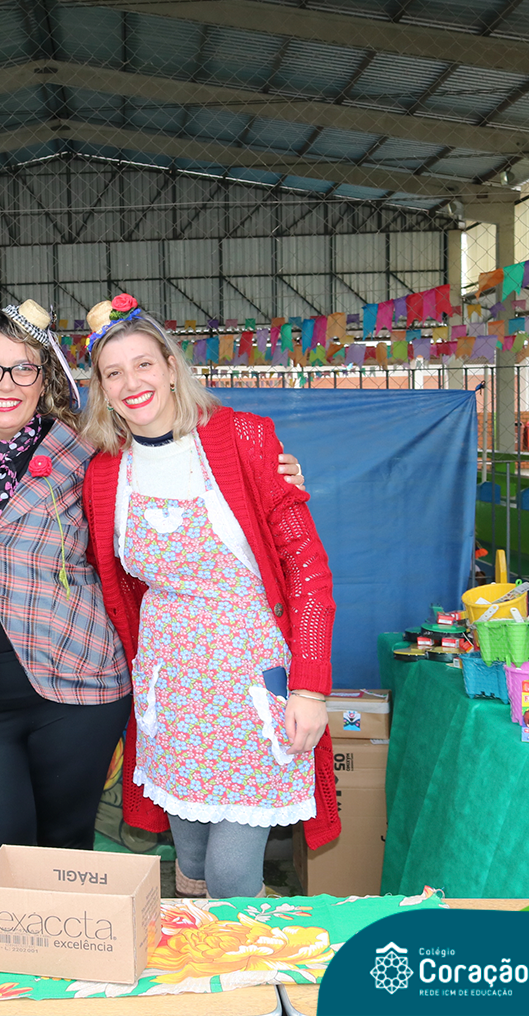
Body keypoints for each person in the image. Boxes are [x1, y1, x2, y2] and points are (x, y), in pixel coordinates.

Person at [0, 300, 309, 876]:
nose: (6, 383)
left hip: (78, 682)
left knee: (66, 853)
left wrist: (272, 475)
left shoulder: (86, 449)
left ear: (45, 378)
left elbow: (175, 459)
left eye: (24, 368)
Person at [81, 294, 340, 899]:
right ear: (102, 390)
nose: (131, 383)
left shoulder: (243, 438)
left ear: (172, 367)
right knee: (192, 860)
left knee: (230, 872)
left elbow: (308, 569)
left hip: (252, 689)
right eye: (114, 373)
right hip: (171, 692)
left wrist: (309, 688)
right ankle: (205, 950)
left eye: (144, 364)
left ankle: (243, 952)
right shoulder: (105, 472)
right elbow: (115, 583)